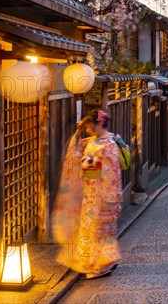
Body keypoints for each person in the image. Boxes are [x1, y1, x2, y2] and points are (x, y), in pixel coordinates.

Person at [51, 109, 122, 280]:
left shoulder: (107, 146)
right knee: (96, 231)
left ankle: (100, 266)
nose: (88, 131)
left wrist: (110, 199)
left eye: (90, 127)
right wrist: (78, 130)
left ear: (98, 125)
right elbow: (76, 147)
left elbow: (111, 175)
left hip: (102, 196)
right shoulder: (97, 141)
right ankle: (105, 262)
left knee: (98, 231)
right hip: (92, 194)